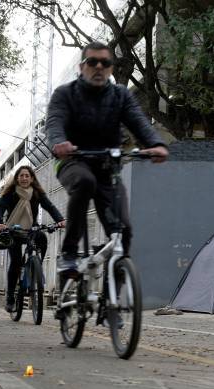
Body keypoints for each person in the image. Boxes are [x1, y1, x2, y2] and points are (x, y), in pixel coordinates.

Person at [46, 41, 169, 279]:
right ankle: (69, 253)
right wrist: (59, 142)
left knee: (123, 230)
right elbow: (55, 122)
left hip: (106, 167)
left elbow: (138, 121)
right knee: (84, 182)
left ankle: (114, 304)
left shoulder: (120, 95)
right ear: (82, 67)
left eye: (106, 63)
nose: (99, 67)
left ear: (111, 68)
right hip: (72, 161)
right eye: (93, 62)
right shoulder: (65, 94)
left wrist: (156, 144)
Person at [0, 165, 66, 312]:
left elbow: (50, 207)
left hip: (31, 230)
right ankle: (10, 298)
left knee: (42, 238)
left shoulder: (37, 193)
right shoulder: (10, 193)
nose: (24, 178)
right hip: (12, 230)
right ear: (17, 179)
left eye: (27, 175)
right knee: (15, 261)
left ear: (32, 178)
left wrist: (60, 220)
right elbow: (0, 209)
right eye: (21, 176)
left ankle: (34, 268)